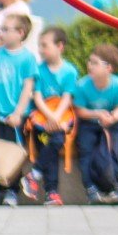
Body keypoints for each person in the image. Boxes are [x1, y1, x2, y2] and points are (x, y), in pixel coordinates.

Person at [0, 13, 37, 206]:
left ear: (20, 33)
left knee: (14, 153)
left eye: (6, 29)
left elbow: (28, 87)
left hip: (15, 117)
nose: (1, 32)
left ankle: (12, 191)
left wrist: (18, 113)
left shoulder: (27, 58)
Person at [29, 26, 79, 206]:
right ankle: (51, 192)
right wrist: (50, 117)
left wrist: (56, 118)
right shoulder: (38, 70)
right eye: (40, 45)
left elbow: (67, 97)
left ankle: (34, 175)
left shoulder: (70, 71)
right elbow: (37, 97)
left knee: (56, 142)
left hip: (61, 118)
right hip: (41, 120)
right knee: (47, 148)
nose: (41, 50)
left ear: (60, 46)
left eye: (45, 45)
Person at [75, 43, 118, 205]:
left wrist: (112, 118)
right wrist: (97, 114)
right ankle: (91, 188)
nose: (89, 66)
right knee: (86, 151)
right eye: (90, 62)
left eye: (95, 63)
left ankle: (116, 187)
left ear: (109, 68)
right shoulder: (82, 85)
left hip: (111, 124)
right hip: (89, 124)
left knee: (117, 149)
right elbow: (80, 111)